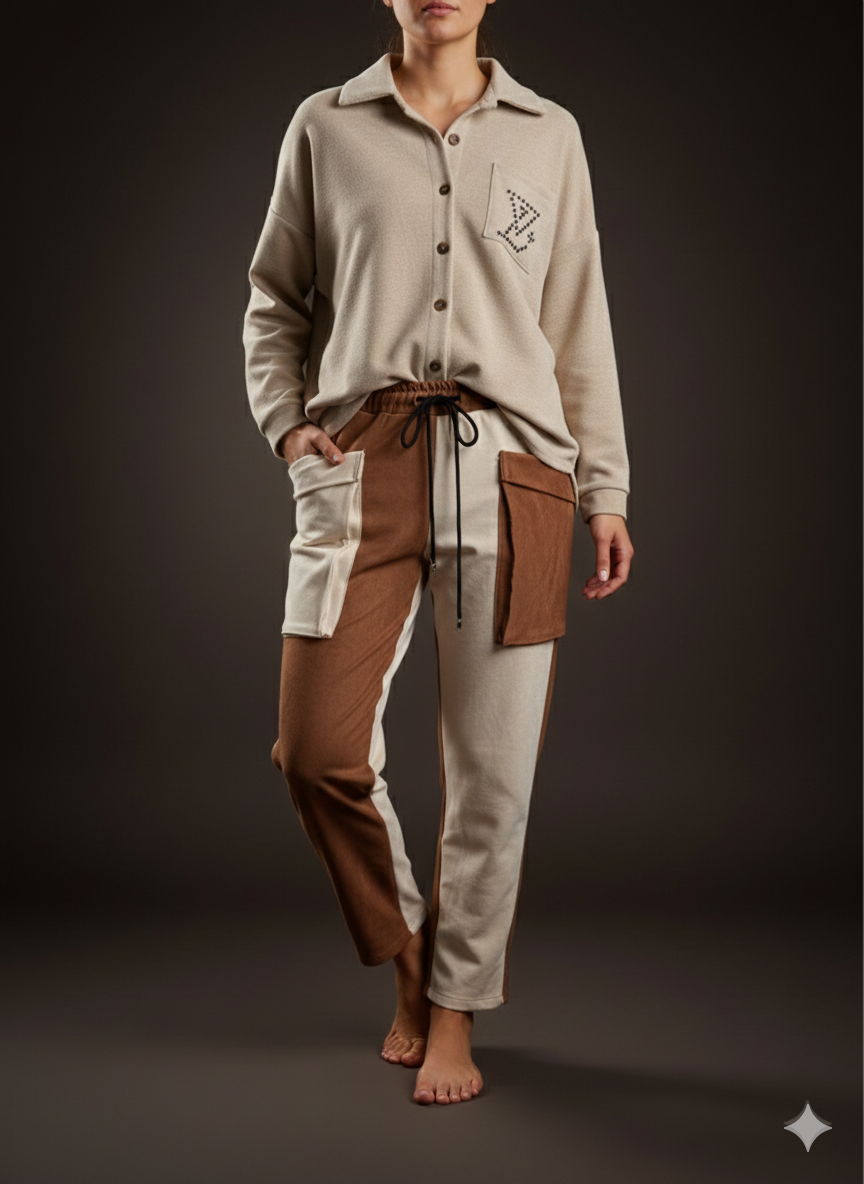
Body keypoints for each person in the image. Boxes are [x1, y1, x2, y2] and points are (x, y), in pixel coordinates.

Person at [242, 0, 634, 1106]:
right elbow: (272, 299)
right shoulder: (324, 125)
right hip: (362, 459)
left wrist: (606, 489)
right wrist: (288, 425)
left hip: (517, 472)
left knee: (492, 770)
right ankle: (408, 956)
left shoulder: (550, 134)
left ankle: (454, 1006)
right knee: (314, 749)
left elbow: (579, 319)